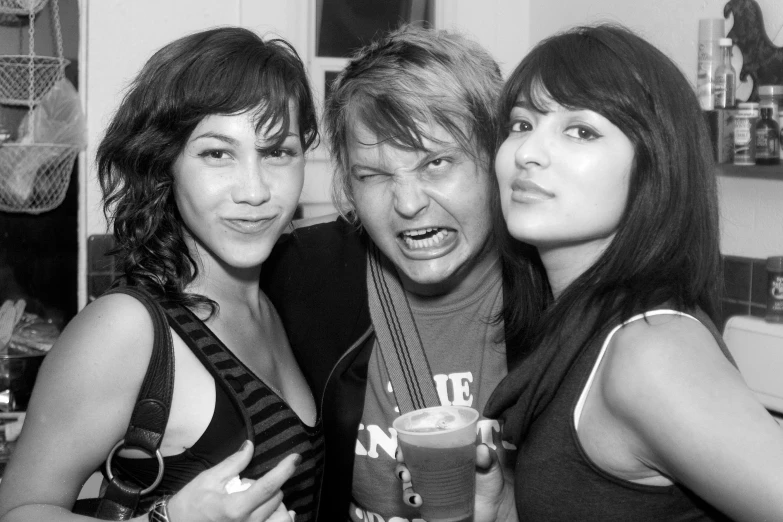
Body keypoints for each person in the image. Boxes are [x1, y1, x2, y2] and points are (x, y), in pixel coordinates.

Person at [0, 27, 322, 522]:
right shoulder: (126, 328)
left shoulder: (280, 297)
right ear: (164, 163)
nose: (255, 190)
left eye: (278, 151)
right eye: (217, 153)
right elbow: (17, 511)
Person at [483, 23, 783, 521]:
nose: (528, 152)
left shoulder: (652, 351)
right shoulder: (573, 327)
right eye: (521, 124)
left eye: (581, 130)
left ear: (654, 166)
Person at [260, 25, 541, 522]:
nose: (408, 204)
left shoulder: (553, 295)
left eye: (437, 163)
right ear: (347, 182)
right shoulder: (298, 275)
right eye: (374, 174)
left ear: (497, 159)